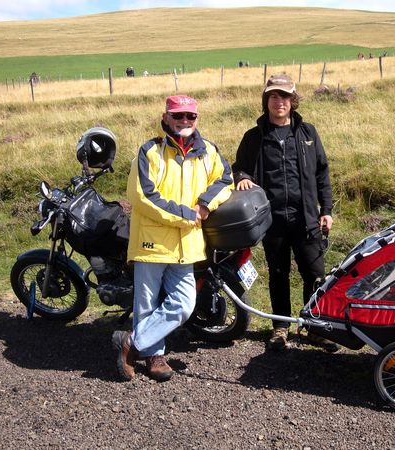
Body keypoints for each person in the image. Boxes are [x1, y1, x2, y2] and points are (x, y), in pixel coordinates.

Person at [112, 94, 233, 382]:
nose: (184, 121)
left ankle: (131, 342)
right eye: (178, 116)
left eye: (190, 116)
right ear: (166, 117)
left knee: (183, 304)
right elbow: (142, 197)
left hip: (186, 246)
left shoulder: (208, 151)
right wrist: (186, 215)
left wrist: (204, 204)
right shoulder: (149, 152)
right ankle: (155, 357)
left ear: (197, 118)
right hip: (151, 243)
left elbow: (225, 179)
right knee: (146, 305)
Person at [232, 74, 338, 352]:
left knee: (314, 274)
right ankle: (280, 327)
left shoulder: (307, 134)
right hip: (273, 220)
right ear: (266, 101)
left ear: (293, 101)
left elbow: (322, 174)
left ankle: (314, 327)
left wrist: (326, 210)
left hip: (306, 218)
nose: (280, 102)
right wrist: (242, 176)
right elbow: (239, 168)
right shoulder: (254, 137)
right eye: (274, 97)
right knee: (278, 273)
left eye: (285, 97)